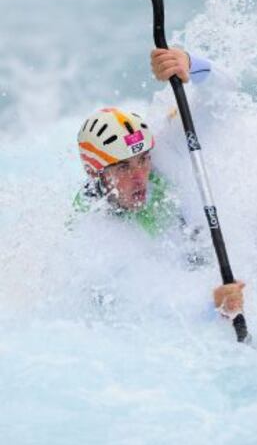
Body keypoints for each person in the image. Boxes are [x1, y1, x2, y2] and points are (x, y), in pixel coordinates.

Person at [74, 47, 245, 318]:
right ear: (97, 174)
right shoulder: (97, 232)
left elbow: (225, 95)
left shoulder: (164, 153)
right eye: (123, 167)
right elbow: (146, 301)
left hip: (195, 253)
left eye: (143, 160)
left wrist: (190, 64)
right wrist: (210, 303)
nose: (140, 176)